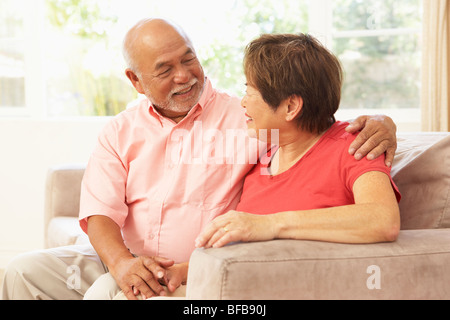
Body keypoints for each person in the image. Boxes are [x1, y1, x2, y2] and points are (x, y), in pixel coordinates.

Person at [1, 19, 398, 301]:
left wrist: (383, 121)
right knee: (23, 273)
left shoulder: (250, 122)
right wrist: (124, 264)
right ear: (136, 81)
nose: (184, 76)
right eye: (164, 69)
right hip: (133, 262)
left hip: (210, 275)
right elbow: (100, 212)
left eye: (188, 59)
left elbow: (312, 122)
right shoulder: (121, 131)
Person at [195, 33, 401, 250]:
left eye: (250, 92)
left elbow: (383, 220)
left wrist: (271, 224)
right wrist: (182, 270)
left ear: (291, 107)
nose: (243, 103)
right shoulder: (262, 157)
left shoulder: (356, 145)